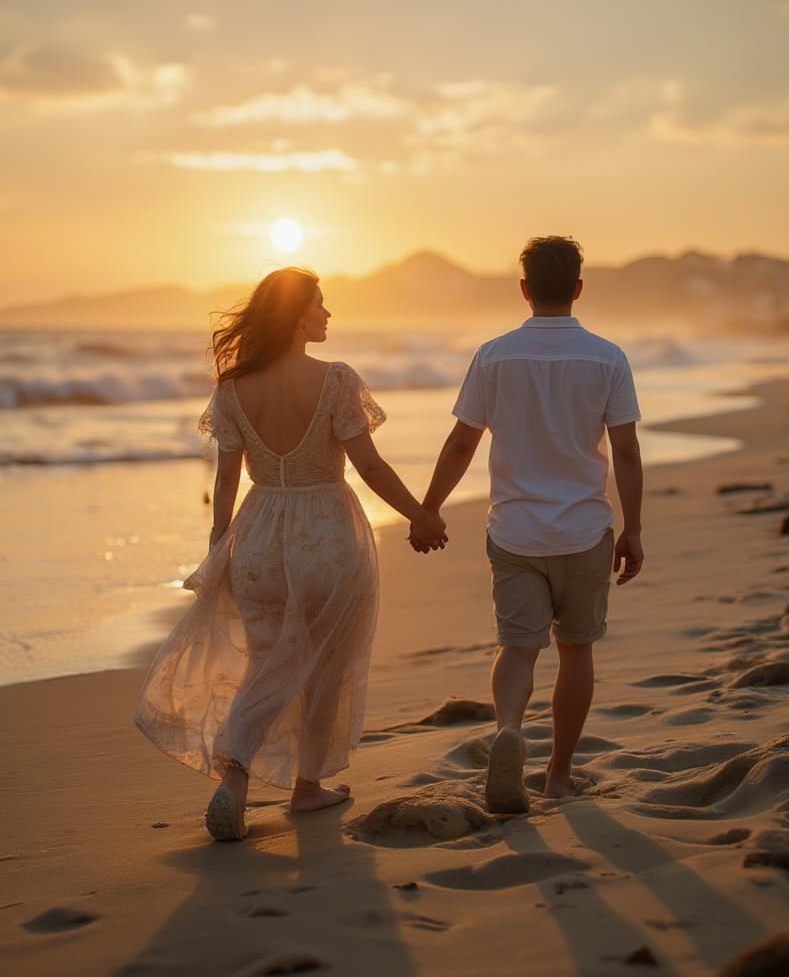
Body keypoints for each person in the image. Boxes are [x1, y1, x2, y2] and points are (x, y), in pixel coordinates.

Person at [133, 267, 447, 840]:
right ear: (297, 315)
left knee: (266, 661)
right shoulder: (335, 380)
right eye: (320, 305)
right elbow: (369, 466)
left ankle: (237, 781)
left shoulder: (231, 388)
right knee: (327, 664)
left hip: (257, 535)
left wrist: (220, 548)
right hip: (326, 532)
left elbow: (226, 479)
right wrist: (420, 515)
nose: (328, 315)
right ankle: (305, 788)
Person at [409, 235, 644, 813]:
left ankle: (510, 728)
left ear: (524, 289)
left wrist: (429, 507)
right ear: (579, 289)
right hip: (584, 531)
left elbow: (463, 441)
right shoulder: (607, 357)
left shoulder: (494, 356)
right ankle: (558, 774)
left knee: (517, 648)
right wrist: (633, 529)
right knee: (576, 651)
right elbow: (628, 452)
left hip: (515, 532)